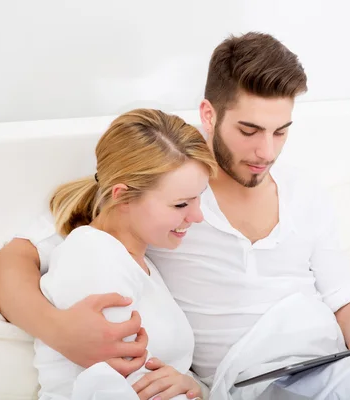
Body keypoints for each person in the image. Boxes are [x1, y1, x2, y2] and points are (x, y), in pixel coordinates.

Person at [0, 33, 350, 400]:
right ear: (208, 114)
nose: (266, 151)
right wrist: (58, 330)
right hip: (250, 386)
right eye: (248, 130)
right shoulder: (165, 192)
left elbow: (341, 292)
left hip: (328, 367)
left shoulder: (304, 191)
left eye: (281, 131)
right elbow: (14, 257)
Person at [31, 109, 216, 400]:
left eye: (199, 197)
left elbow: (158, 379)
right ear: (123, 196)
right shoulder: (92, 256)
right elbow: (120, 389)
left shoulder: (140, 263)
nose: (197, 216)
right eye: (181, 204)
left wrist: (194, 387)